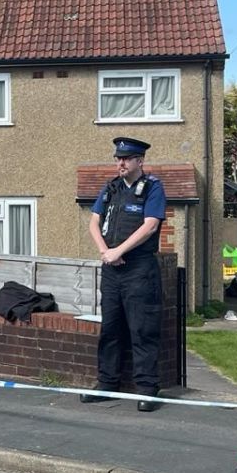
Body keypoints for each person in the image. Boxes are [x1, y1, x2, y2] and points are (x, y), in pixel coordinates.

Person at [81, 137, 167, 412]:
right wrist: (106, 251)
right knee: (110, 328)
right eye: (118, 158)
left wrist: (120, 251)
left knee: (142, 329)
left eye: (126, 159)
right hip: (112, 270)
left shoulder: (153, 188)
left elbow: (150, 226)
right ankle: (107, 383)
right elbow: (94, 222)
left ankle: (147, 389)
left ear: (139, 161)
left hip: (139, 269)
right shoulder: (111, 188)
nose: (120, 162)